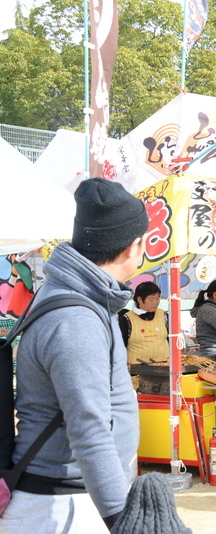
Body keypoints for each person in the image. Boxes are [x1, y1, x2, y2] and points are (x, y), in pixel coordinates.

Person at [6, 178, 149, 530]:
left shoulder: (76, 297)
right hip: (62, 505)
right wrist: (122, 520)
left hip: (72, 498)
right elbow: (89, 429)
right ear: (133, 247)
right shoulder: (76, 319)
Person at [119, 281, 169, 365]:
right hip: (136, 367)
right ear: (139, 299)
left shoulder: (164, 315)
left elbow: (172, 339)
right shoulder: (127, 318)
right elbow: (120, 345)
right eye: (151, 299)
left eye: (157, 299)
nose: (155, 302)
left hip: (164, 365)